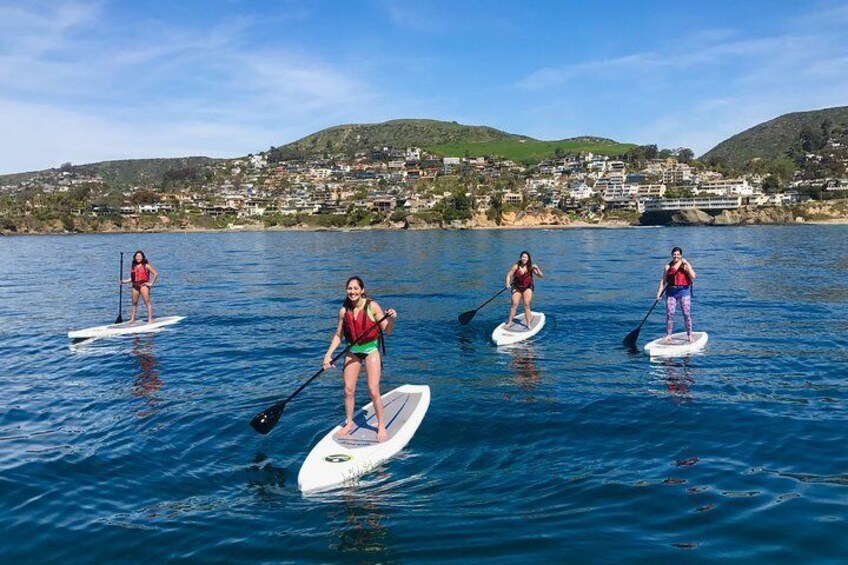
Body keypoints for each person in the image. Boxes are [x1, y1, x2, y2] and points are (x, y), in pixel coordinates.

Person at [323, 276, 397, 442]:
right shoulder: (344, 311)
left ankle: (381, 426)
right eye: (349, 288)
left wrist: (390, 318)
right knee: (348, 389)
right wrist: (328, 355)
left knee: (373, 389)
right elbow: (338, 335)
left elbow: (388, 330)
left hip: (370, 350)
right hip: (353, 351)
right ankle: (349, 423)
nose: (352, 291)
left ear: (362, 290)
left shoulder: (372, 306)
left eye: (356, 288)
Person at [656, 246, 697, 343]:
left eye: (678, 254)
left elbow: (693, 276)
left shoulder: (685, 265)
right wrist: (659, 294)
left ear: (681, 255)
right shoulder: (667, 267)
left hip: (684, 291)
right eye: (674, 254)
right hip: (671, 292)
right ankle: (669, 335)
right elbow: (663, 281)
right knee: (670, 314)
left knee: (686, 314)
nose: (676, 256)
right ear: (671, 255)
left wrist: (687, 264)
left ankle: (689, 335)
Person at [505, 251, 544, 329]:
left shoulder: (531, 267)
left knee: (526, 304)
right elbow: (509, 275)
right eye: (523, 257)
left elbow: (541, 276)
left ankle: (528, 323)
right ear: (520, 257)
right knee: (514, 304)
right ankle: (509, 323)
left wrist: (537, 268)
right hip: (517, 287)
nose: (524, 258)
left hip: (527, 287)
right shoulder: (516, 266)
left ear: (528, 258)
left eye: (526, 257)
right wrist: (507, 283)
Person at [121, 250, 159, 324]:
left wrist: (151, 283)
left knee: (147, 302)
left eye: (139, 256)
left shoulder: (146, 265)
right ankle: (132, 319)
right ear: (135, 258)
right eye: (137, 256)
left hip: (143, 286)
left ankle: (150, 319)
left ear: (143, 257)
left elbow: (156, 274)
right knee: (134, 303)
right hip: (135, 286)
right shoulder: (133, 266)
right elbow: (132, 279)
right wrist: (124, 281)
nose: (138, 258)